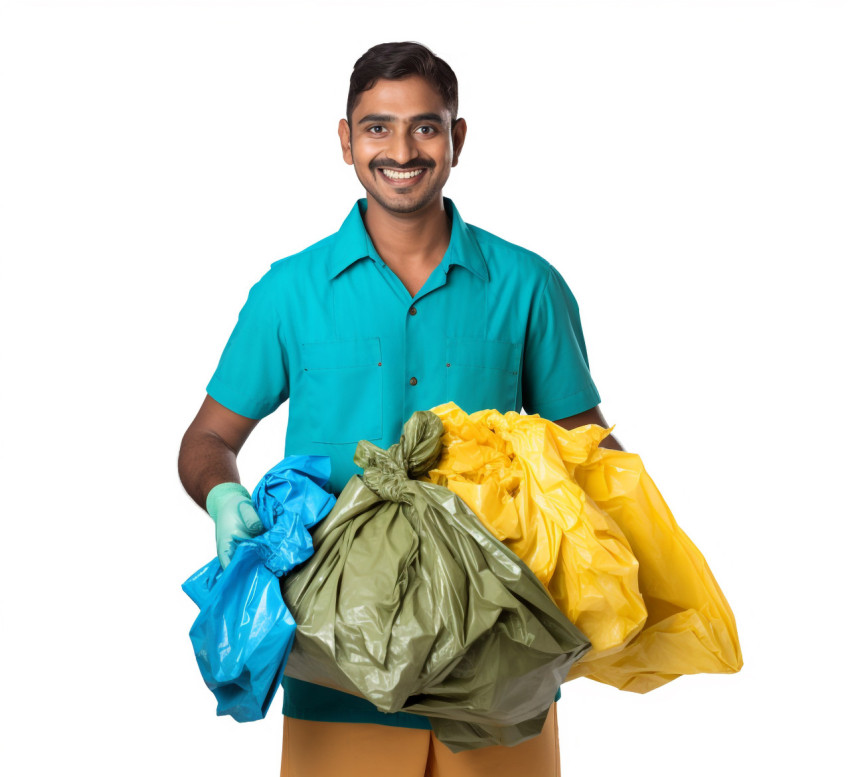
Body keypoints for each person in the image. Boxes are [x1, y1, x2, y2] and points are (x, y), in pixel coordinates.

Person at [178, 40, 622, 777]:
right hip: (339, 667)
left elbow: (589, 446)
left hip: (495, 667)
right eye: (378, 127)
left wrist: (624, 547)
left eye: (425, 125)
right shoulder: (290, 291)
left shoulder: (528, 285)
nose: (402, 148)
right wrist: (223, 493)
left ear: (457, 139)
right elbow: (209, 437)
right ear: (346, 140)